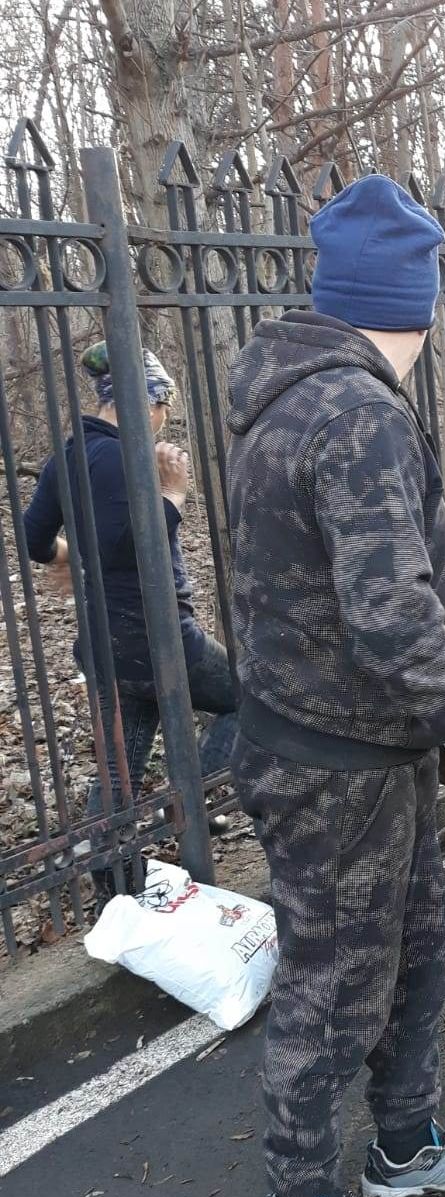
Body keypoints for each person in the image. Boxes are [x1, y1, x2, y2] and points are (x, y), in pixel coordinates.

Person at [226, 174, 445, 1197]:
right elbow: (388, 615)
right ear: (420, 304)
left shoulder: (301, 395)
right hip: (333, 764)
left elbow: (338, 566)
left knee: (420, 945)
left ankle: (405, 1147)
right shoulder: (356, 411)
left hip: (347, 746)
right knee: (335, 979)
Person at [22, 344, 237, 909]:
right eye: (163, 404)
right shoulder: (129, 459)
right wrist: (174, 495)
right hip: (159, 637)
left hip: (104, 643)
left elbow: (32, 539)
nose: (165, 417)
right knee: (248, 697)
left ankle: (116, 886)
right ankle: (192, 800)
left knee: (120, 767)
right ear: (152, 401)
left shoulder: (65, 459)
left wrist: (71, 553)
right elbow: (131, 546)